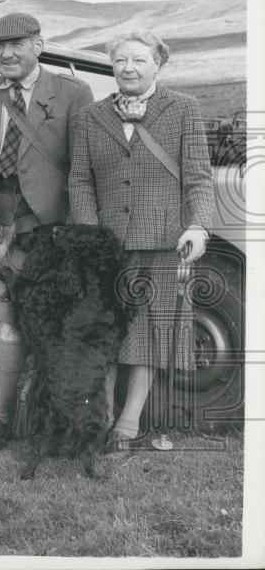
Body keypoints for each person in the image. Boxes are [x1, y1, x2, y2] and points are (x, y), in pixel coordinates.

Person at [0, 12, 93, 453]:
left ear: (38, 45)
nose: (5, 54)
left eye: (16, 45)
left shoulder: (72, 93)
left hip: (41, 231)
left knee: (10, 324)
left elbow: (82, 165)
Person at [68, 30, 213, 449]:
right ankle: (104, 417)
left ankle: (128, 423)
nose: (128, 68)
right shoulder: (91, 117)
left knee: (147, 332)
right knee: (107, 330)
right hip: (107, 244)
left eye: (138, 60)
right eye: (120, 61)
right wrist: (90, 234)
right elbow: (79, 180)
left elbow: (199, 179)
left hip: (162, 241)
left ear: (157, 64)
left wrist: (198, 226)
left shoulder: (185, 109)